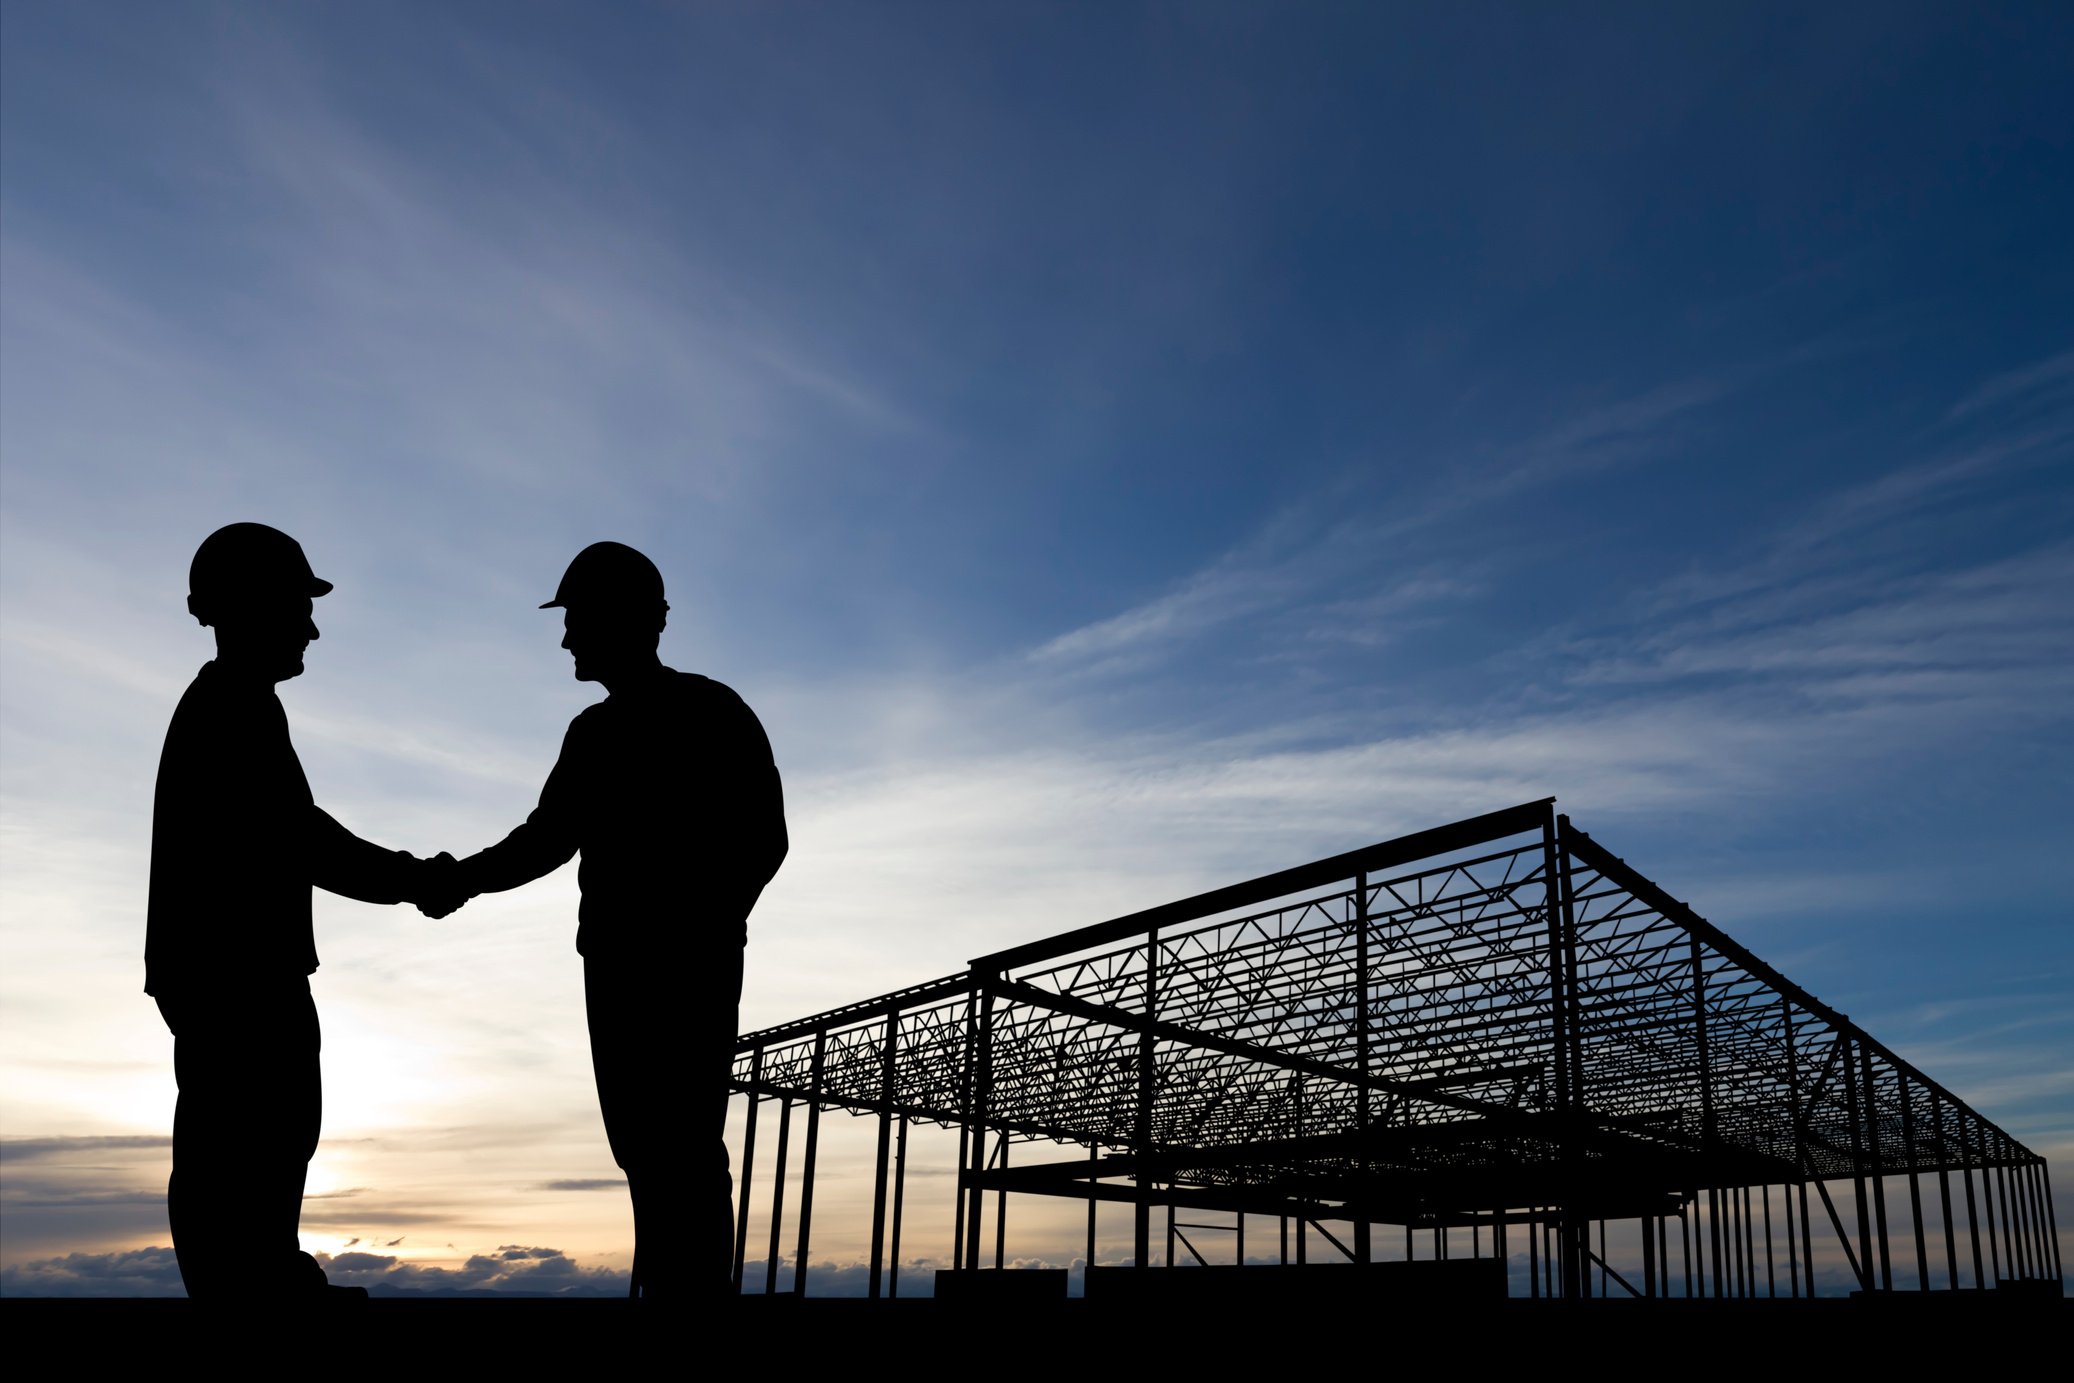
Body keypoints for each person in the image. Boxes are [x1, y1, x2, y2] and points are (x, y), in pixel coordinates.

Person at [422, 542, 786, 1300]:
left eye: (577, 620)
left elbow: (763, 837)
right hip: (622, 963)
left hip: (678, 963)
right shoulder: (596, 732)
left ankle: (691, 1298)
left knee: (680, 1139)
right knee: (645, 1143)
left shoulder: (711, 711)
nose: (565, 640)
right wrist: (462, 877)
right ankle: (669, 1291)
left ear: (627, 620)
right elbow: (547, 839)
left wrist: (701, 922)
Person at [147, 522, 454, 1299]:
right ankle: (252, 1292)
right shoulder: (231, 710)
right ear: (249, 605)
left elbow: (297, 837)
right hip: (239, 975)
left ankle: (263, 1279)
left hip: (231, 971)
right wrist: (415, 879)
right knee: (251, 1137)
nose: (312, 624)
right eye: (297, 602)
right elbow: (304, 841)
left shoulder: (234, 705)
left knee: (261, 1137)